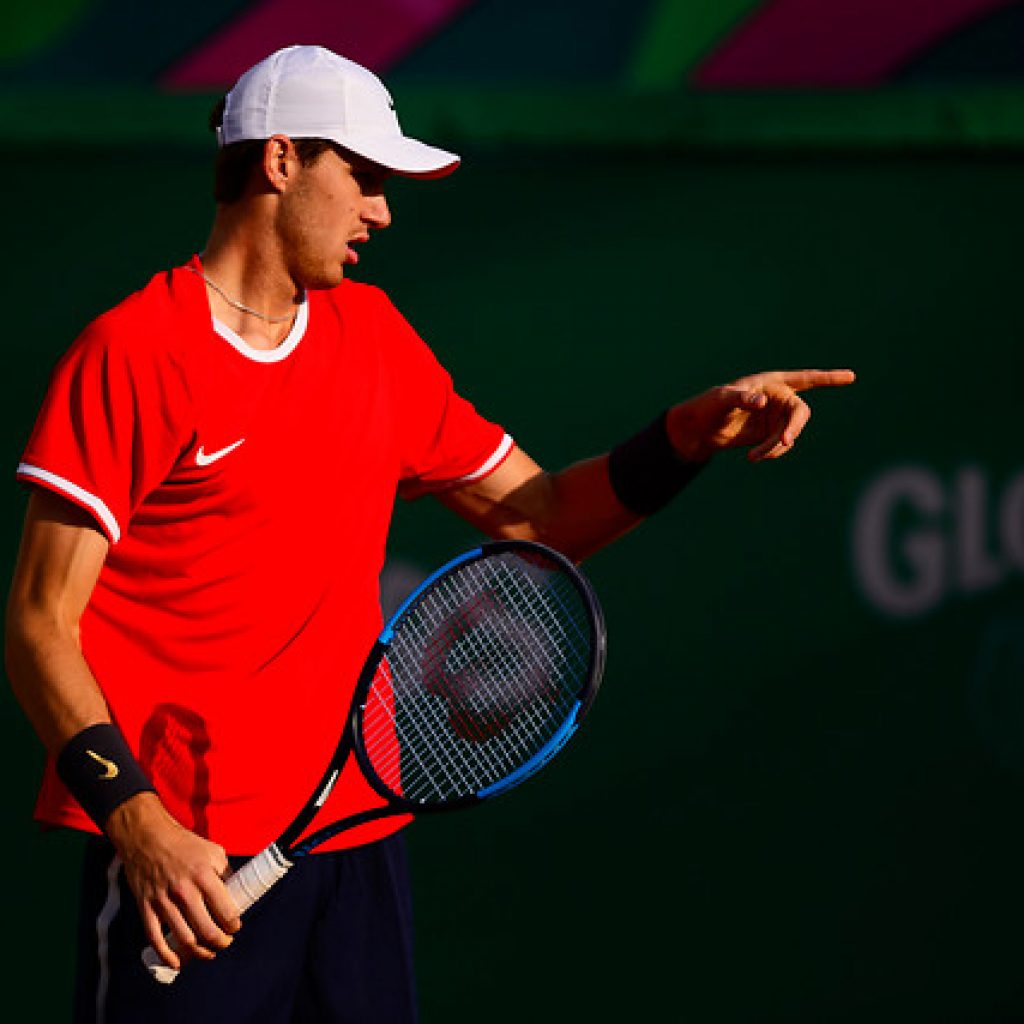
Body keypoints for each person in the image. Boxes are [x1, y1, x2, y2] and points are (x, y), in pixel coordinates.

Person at [4, 44, 854, 1024]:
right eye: (363, 177)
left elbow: (540, 516)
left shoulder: (373, 339)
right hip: (188, 864)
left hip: (353, 848)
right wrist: (140, 826)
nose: (382, 211)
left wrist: (682, 437)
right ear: (280, 161)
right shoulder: (138, 353)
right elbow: (38, 625)